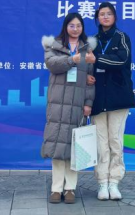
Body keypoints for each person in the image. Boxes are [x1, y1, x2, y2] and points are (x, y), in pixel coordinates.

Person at [41, 13, 96, 204]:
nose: (75, 29)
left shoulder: (88, 49)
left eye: (78, 25)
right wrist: (73, 60)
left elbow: (91, 81)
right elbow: (52, 65)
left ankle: (70, 188)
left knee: (74, 147)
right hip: (57, 103)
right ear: (65, 27)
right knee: (57, 147)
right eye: (72, 25)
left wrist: (88, 103)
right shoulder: (54, 45)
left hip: (77, 104)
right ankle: (56, 189)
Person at [90, 2, 135, 201]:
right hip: (97, 98)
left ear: (115, 17)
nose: (105, 17)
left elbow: (122, 60)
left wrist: (97, 59)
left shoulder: (122, 37)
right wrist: (87, 75)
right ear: (97, 18)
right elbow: (86, 64)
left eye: (109, 14)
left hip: (119, 97)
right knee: (101, 143)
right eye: (102, 14)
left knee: (115, 141)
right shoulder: (92, 40)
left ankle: (114, 182)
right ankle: (102, 182)